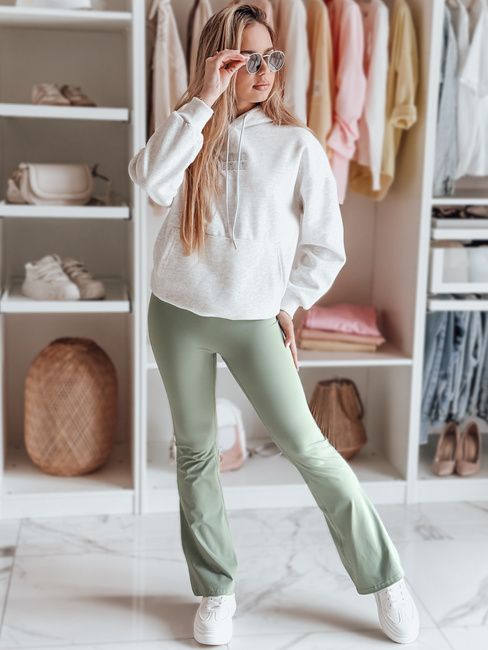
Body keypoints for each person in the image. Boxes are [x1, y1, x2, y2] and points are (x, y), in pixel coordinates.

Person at [128, 4, 420, 647]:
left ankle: (385, 578)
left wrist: (289, 302)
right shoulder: (188, 128)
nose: (264, 70)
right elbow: (149, 182)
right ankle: (215, 591)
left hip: (252, 319)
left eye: (272, 58)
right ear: (219, 63)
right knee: (195, 453)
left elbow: (326, 247)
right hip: (176, 313)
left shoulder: (296, 144)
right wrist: (202, 101)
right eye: (248, 58)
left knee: (309, 448)